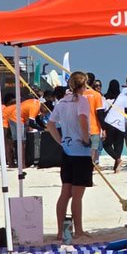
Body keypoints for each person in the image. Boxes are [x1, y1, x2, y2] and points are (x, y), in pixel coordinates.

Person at [45, 72, 95, 242]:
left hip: (67, 151)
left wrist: (60, 142)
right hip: (80, 151)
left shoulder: (61, 102)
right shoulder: (82, 100)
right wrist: (87, 139)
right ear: (84, 84)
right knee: (77, 194)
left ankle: (61, 232)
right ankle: (78, 230)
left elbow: (50, 125)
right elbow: (83, 119)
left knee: (65, 193)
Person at [100, 80, 125, 173]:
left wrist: (102, 126)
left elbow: (102, 112)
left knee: (106, 145)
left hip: (109, 124)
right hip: (120, 124)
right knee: (118, 144)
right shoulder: (122, 97)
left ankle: (117, 161)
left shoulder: (105, 98)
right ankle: (117, 162)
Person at [81, 76, 104, 164]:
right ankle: (91, 166)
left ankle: (85, 166)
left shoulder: (79, 94)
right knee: (93, 149)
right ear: (93, 82)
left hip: (81, 126)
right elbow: (100, 113)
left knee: (83, 149)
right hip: (94, 126)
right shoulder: (97, 95)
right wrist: (103, 128)